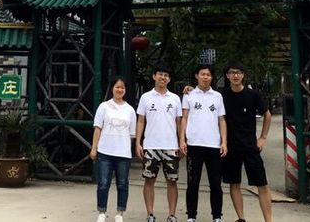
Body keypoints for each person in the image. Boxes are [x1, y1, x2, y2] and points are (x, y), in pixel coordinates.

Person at [221, 62, 273, 222]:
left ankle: (268, 220)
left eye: (238, 72)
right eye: (232, 72)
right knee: (234, 183)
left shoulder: (253, 95)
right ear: (227, 76)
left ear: (243, 75)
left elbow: (267, 114)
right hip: (231, 146)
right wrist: (189, 89)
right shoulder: (222, 95)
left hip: (250, 146)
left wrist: (263, 138)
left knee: (262, 184)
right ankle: (241, 218)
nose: (235, 75)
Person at [136, 63, 183, 222]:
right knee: (149, 180)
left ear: (169, 79)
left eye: (166, 75)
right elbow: (141, 121)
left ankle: (172, 215)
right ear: (154, 76)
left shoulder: (175, 98)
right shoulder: (145, 97)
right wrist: (138, 143)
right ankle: (150, 214)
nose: (163, 77)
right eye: (160, 74)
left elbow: (179, 123)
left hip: (171, 146)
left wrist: (181, 142)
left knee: (172, 181)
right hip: (151, 146)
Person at [180, 64, 226, 222]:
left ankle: (217, 216)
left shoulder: (217, 96)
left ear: (211, 77)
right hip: (194, 145)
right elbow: (184, 118)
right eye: (202, 74)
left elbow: (221, 119)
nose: (205, 77)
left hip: (214, 145)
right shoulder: (189, 94)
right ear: (196, 76)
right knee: (193, 183)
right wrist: (182, 140)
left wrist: (224, 142)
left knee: (216, 183)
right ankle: (191, 216)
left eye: (208, 75)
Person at [91, 77, 138, 222]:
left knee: (122, 184)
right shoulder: (104, 107)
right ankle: (101, 212)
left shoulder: (130, 110)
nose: (120, 90)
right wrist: (94, 148)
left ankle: (120, 213)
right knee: (103, 183)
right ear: (112, 88)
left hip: (123, 153)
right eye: (117, 87)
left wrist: (126, 148)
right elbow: (97, 129)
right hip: (105, 151)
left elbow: (132, 135)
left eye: (122, 87)